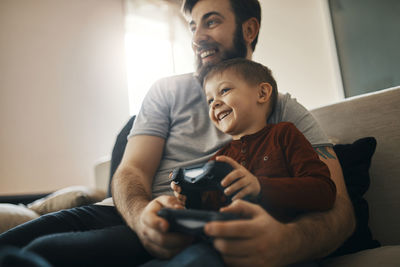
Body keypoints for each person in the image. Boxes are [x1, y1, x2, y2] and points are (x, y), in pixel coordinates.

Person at [0, 0, 355, 266]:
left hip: (203, 227)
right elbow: (131, 171)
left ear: (248, 30)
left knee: (46, 255)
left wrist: (284, 242)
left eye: (211, 21)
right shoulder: (167, 90)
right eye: (191, 25)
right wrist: (142, 218)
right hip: (126, 211)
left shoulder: (283, 112)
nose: (197, 37)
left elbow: (340, 211)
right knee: (17, 246)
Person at [172, 58, 336, 222]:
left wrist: (260, 187)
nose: (214, 104)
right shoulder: (218, 159)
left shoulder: (284, 135)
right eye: (210, 100)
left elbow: (324, 192)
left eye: (224, 91)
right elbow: (210, 211)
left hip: (278, 237)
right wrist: (188, 199)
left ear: (262, 93)